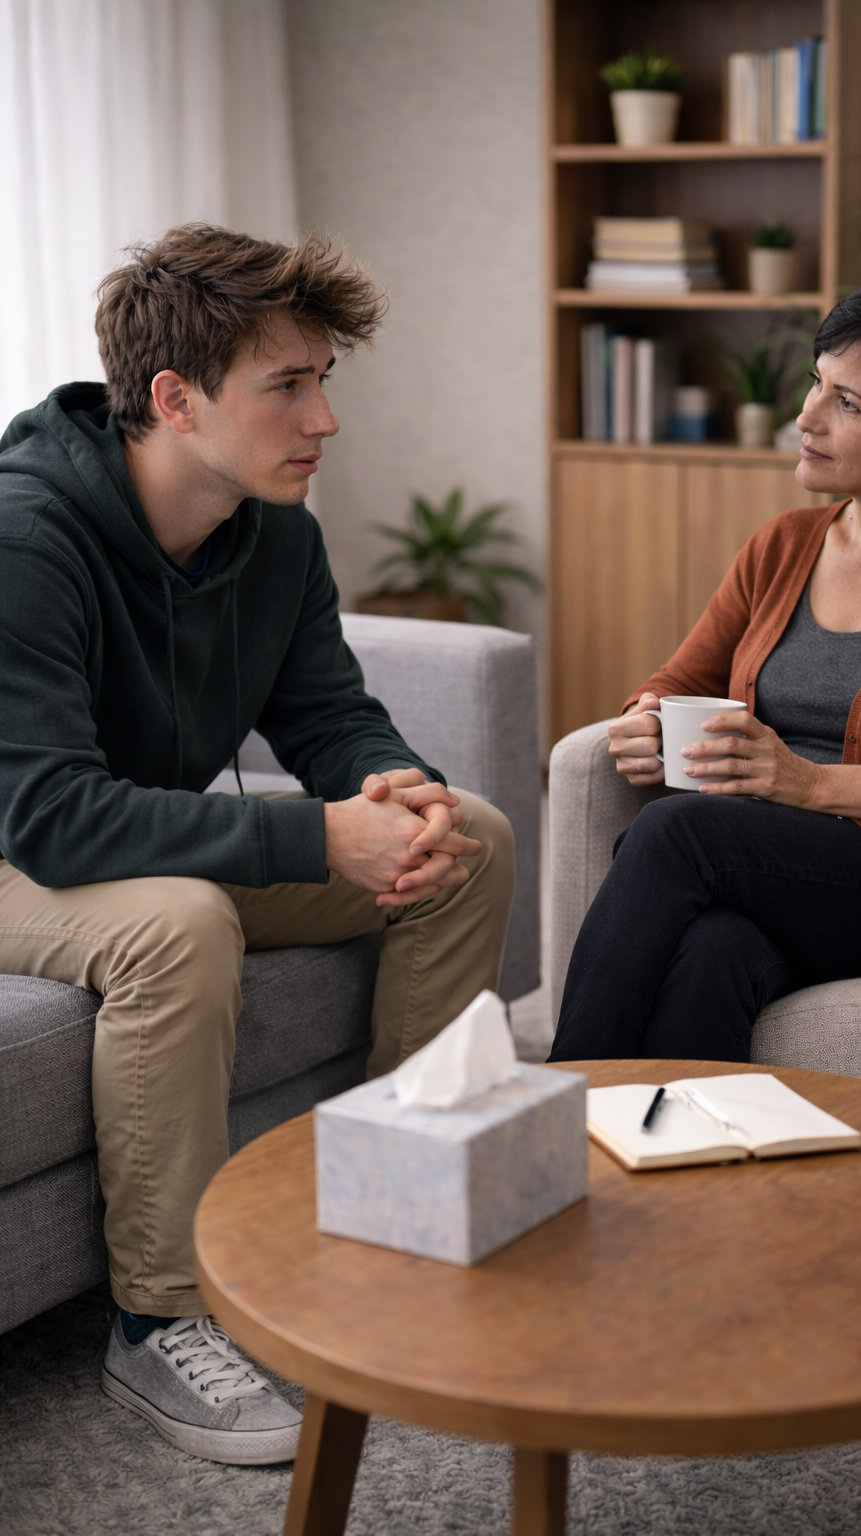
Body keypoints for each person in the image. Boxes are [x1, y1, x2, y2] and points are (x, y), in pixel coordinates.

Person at [0, 224, 515, 1463]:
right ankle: (158, 1319)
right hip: (22, 844)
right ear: (174, 399)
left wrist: (395, 789)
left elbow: (326, 709)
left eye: (322, 380)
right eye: (288, 385)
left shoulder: (273, 526)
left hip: (129, 838)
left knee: (474, 841)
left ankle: (396, 1214)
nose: (322, 418)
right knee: (179, 920)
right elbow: (54, 816)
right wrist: (314, 835)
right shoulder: (27, 537)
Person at [550, 274, 861, 1065]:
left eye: (848, 403)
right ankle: (679, 1173)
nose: (805, 417)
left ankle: (555, 1100)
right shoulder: (786, 543)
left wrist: (809, 786)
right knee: (714, 955)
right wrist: (644, 720)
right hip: (760, 862)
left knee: (675, 832)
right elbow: (678, 678)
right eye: (817, 382)